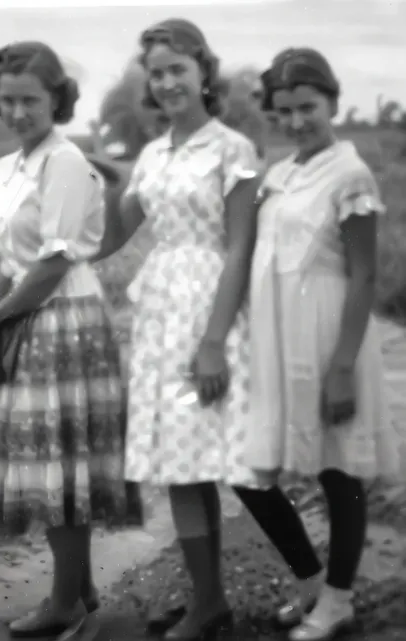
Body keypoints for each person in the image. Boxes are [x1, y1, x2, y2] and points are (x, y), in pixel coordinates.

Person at [88, 19, 333, 641]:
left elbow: (240, 246)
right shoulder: (152, 154)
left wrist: (213, 341)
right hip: (159, 315)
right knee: (182, 465)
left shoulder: (234, 150)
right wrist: (92, 187)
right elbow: (114, 236)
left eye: (178, 68)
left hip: (213, 313)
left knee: (237, 460)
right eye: (158, 72)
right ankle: (208, 603)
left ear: (203, 72)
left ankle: (314, 582)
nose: (168, 81)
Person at [242, 48, 401, 641]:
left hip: (330, 341)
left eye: (307, 107)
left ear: (332, 101)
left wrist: (341, 367)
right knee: (247, 466)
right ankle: (309, 580)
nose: (297, 121)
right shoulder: (280, 174)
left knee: (339, 469)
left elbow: (364, 276)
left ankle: (337, 601)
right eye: (283, 111)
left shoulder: (350, 174)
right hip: (275, 341)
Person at [0, 41, 125, 639]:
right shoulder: (7, 167)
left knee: (58, 464)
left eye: (30, 100)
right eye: (7, 100)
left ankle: (64, 603)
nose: (17, 112)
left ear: (56, 99)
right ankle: (78, 588)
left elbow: (54, 262)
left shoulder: (64, 161)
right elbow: (5, 259)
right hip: (23, 314)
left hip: (65, 317)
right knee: (47, 461)